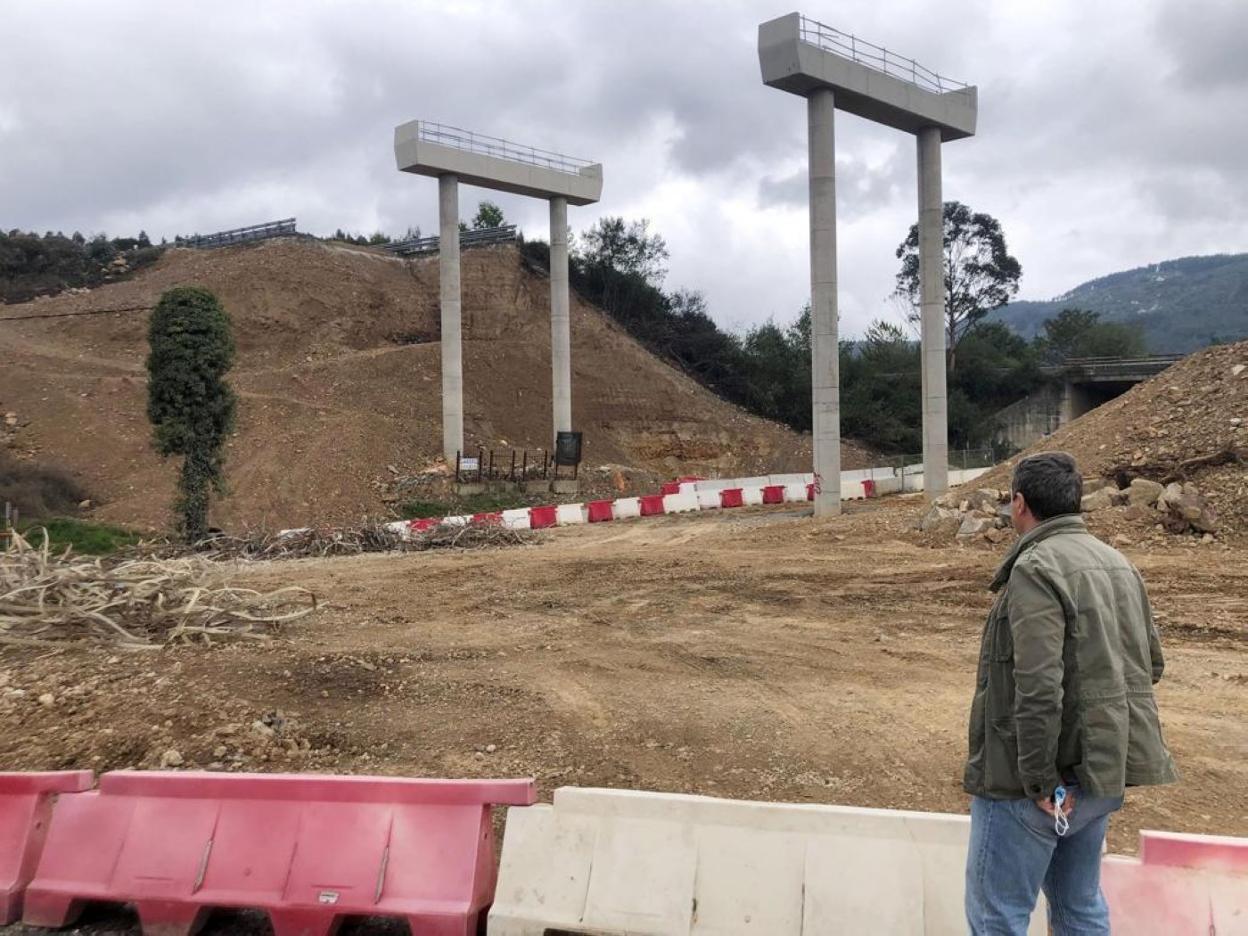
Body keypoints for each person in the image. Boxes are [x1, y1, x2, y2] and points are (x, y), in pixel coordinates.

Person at [963, 452, 1178, 935]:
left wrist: (1039, 781)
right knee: (1079, 908)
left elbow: (1039, 688)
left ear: (1020, 503)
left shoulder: (1035, 568)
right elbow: (1151, 665)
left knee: (997, 917)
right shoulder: (1119, 564)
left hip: (1035, 788)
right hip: (1098, 776)